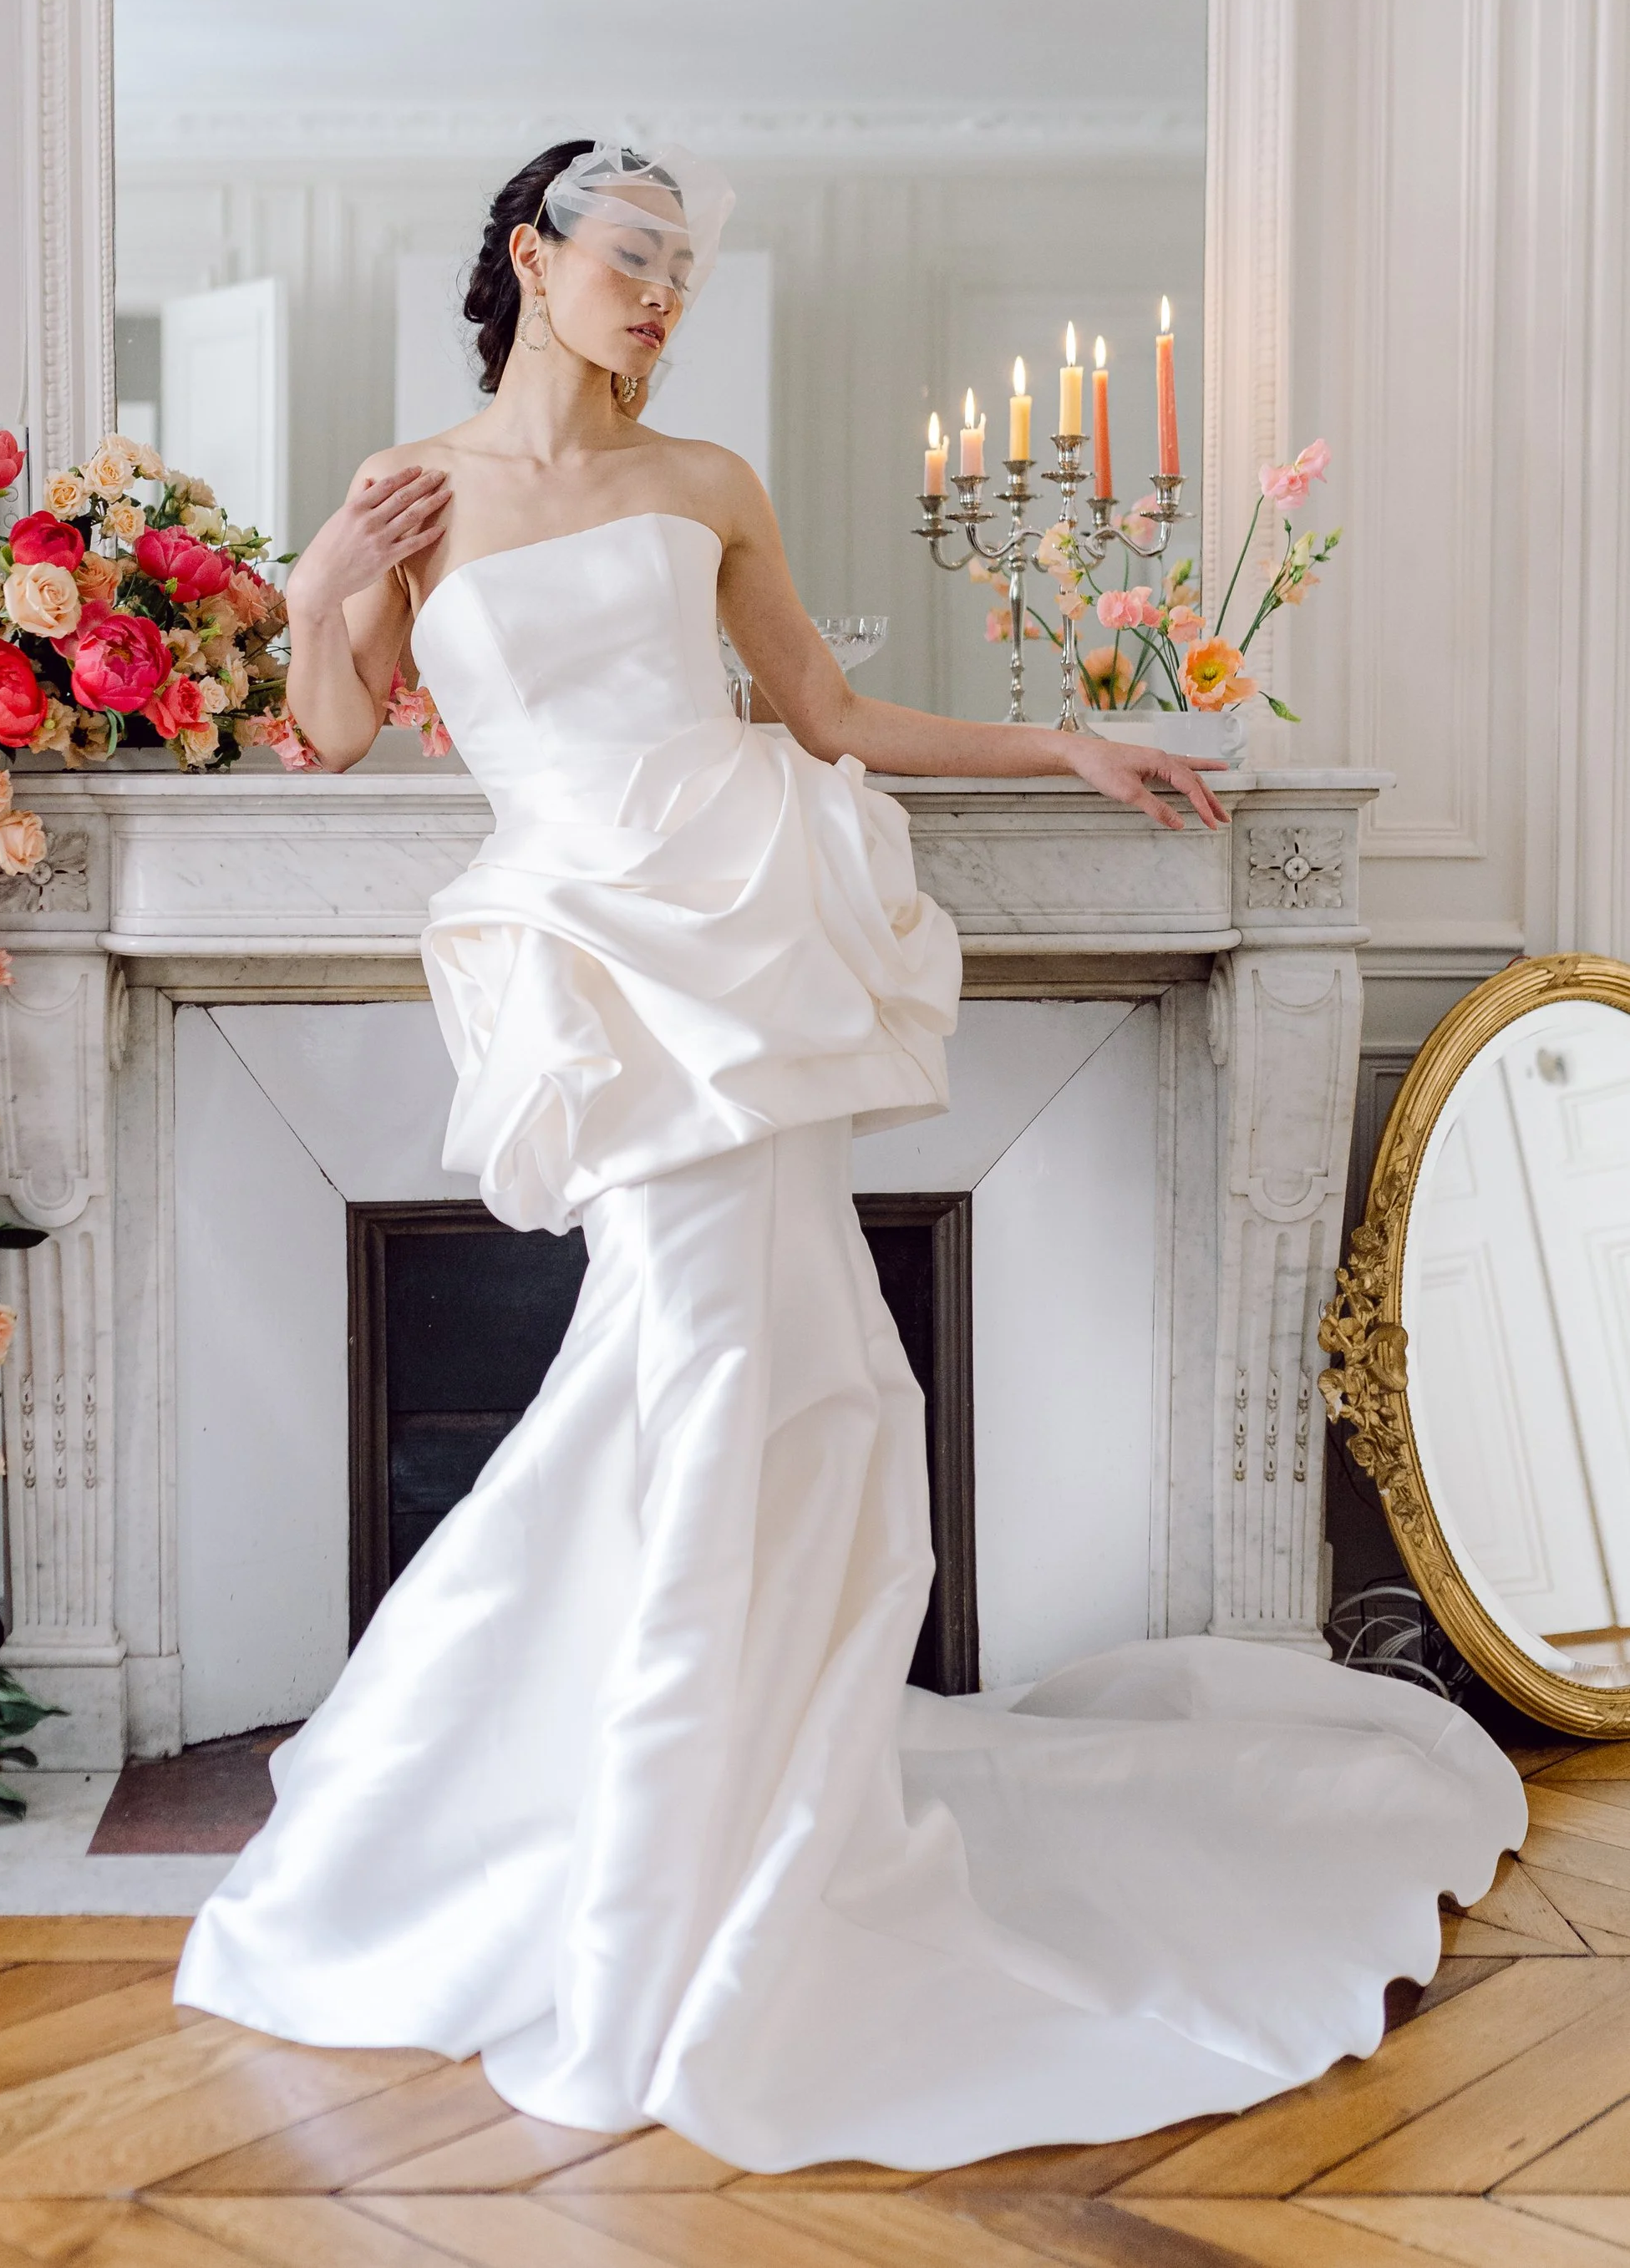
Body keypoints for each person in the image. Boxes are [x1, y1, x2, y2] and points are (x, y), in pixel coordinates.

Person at [176, 138, 1524, 2171]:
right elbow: (342, 733)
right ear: (532, 261)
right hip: (593, 953)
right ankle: (596, 1815)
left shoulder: (704, 481)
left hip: (741, 913)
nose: (660, 294)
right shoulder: (417, 491)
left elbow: (814, 709)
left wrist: (1062, 741)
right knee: (710, 1356)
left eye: (681, 271)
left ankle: (689, 1813)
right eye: (630, 258)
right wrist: (318, 580)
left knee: (779, 1361)